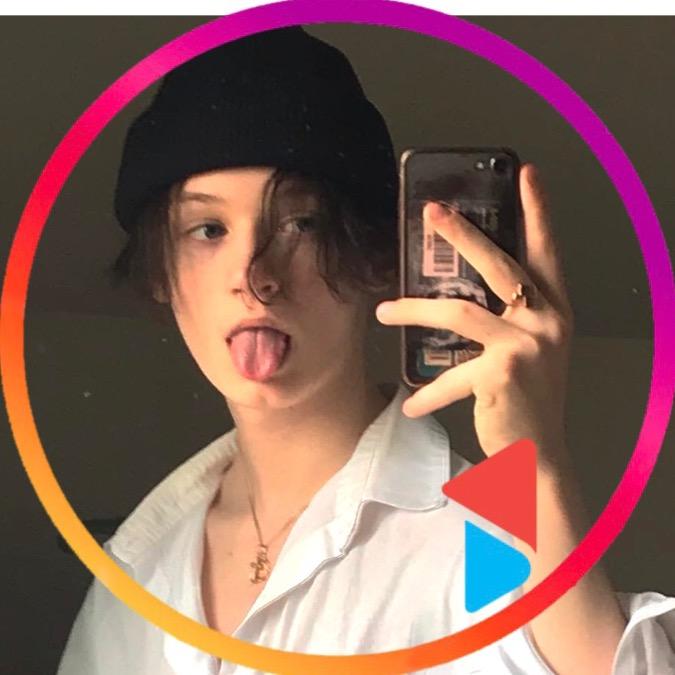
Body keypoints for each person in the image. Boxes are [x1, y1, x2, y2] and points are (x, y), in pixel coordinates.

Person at [57, 26, 675, 675]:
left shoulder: (487, 538)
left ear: (377, 257)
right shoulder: (136, 566)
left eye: (301, 224)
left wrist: (537, 465)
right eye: (208, 229)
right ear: (162, 273)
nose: (254, 276)